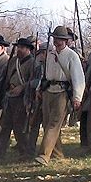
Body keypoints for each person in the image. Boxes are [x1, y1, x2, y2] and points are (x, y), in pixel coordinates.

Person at [34, 26, 85, 165]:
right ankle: (57, 154)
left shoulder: (72, 56)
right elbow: (45, 74)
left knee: (54, 124)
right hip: (48, 90)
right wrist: (39, 88)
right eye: (56, 39)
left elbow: (78, 78)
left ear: (66, 41)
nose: (58, 42)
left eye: (61, 40)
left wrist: (77, 97)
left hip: (62, 92)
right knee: (47, 123)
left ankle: (44, 155)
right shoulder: (50, 54)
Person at [0, 37, 36, 160]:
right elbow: (4, 78)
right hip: (9, 96)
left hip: (22, 98)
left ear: (28, 49)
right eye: (18, 47)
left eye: (22, 47)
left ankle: (25, 152)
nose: (19, 50)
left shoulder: (33, 63)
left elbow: (35, 81)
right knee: (5, 126)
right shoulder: (12, 61)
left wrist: (23, 87)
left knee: (19, 127)